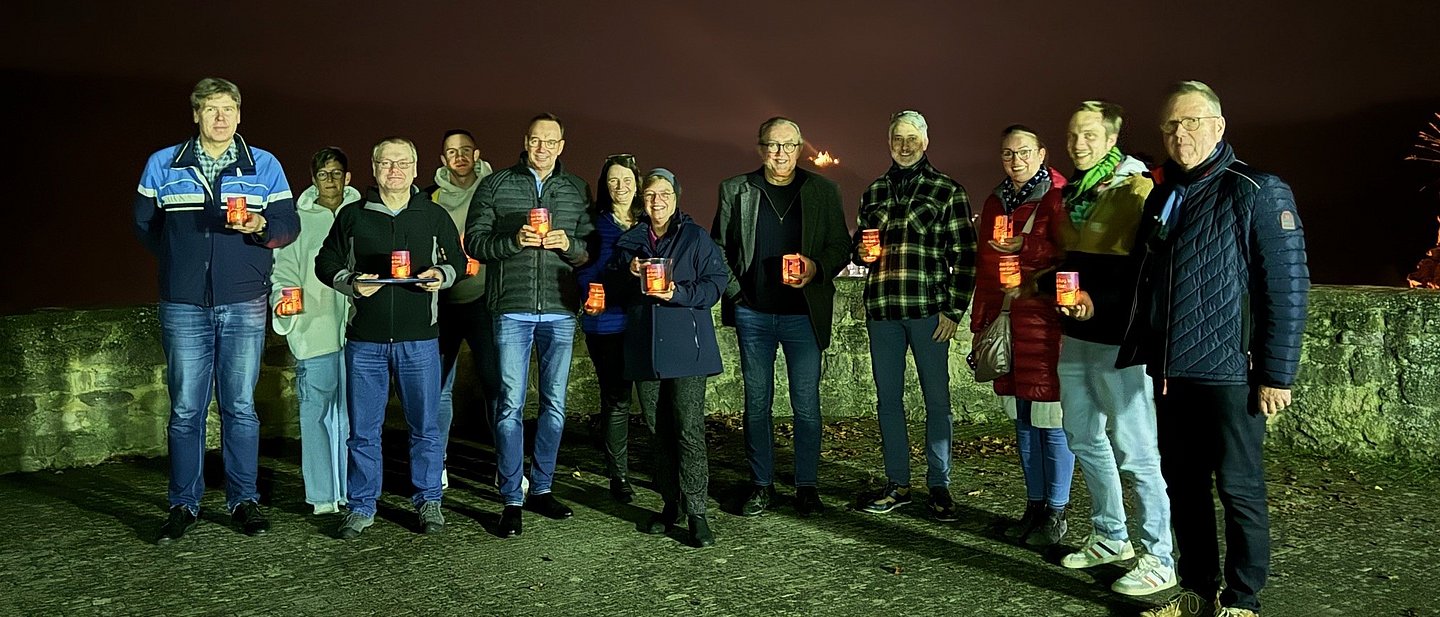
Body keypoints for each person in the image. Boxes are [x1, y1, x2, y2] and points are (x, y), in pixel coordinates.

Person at [1126, 81, 1310, 617]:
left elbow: (1287, 287)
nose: (1180, 133)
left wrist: (1276, 373)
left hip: (1232, 372)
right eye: (1170, 125)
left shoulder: (1256, 189)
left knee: (1239, 489)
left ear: (1219, 126)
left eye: (1191, 122)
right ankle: (1197, 592)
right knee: (1183, 488)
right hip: (1172, 371)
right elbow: (1146, 277)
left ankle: (1243, 601)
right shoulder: (1163, 194)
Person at [134, 77, 299, 544]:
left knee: (241, 406)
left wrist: (261, 224)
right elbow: (145, 226)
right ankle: (182, 504)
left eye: (228, 109)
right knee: (186, 409)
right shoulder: (163, 164)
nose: (221, 117)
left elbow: (288, 225)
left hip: (245, 299)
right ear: (196, 115)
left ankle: (244, 500)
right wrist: (179, 264)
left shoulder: (263, 164)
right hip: (183, 303)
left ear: (240, 114)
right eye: (211, 109)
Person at [1049, 101, 1177, 597]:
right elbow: (1074, 263)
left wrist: (1094, 299)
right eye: (1072, 134)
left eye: (1088, 135)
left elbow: (1147, 272)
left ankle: (1160, 556)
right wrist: (1044, 279)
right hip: (1077, 336)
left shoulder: (1136, 188)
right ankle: (1110, 536)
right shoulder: (1080, 194)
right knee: (1082, 437)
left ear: (1110, 139)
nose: (1078, 144)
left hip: (1121, 343)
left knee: (1137, 451)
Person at [315, 137, 465, 540]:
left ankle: (428, 499)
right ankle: (362, 505)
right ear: (374, 167)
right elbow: (324, 262)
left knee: (426, 426)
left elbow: (457, 261)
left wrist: (440, 277)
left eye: (402, 163)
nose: (394, 170)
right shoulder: (352, 216)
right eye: (386, 163)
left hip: (420, 340)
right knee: (363, 429)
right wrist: (350, 284)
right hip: (365, 340)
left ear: (416, 169)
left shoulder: (433, 216)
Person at [712, 117, 851, 517]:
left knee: (806, 404)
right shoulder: (736, 190)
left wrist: (816, 267)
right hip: (754, 313)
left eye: (789, 146)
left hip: (802, 314)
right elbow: (718, 246)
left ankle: (806, 486)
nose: (781, 154)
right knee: (757, 404)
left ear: (800, 148)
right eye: (773, 146)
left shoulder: (823, 190)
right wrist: (738, 295)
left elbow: (841, 245)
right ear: (760, 148)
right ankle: (761, 484)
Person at [466, 113, 593, 538]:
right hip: (512, 310)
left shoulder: (576, 189)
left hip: (559, 309)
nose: (543, 148)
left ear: (562, 145)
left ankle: (541, 488)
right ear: (526, 141)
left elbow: (589, 249)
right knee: (510, 405)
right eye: (536, 140)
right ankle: (511, 497)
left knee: (555, 406)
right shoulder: (497, 184)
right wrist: (513, 241)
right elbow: (476, 243)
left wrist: (569, 245)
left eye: (551, 141)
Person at [853, 110, 976, 520]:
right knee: (888, 401)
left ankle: (939, 485)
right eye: (897, 139)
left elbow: (967, 256)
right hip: (884, 310)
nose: (904, 146)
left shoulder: (947, 191)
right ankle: (898, 483)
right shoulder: (873, 192)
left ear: (925, 141)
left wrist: (954, 311)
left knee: (937, 401)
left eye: (911, 138)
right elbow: (862, 248)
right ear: (888, 142)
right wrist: (861, 253)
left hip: (928, 312)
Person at [611, 168, 728, 548]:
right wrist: (627, 273)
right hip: (645, 347)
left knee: (688, 429)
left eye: (664, 194)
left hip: (686, 349)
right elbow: (612, 287)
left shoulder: (695, 238)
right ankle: (670, 504)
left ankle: (697, 513)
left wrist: (678, 291)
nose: (656, 201)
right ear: (641, 201)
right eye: (649, 195)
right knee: (658, 432)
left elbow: (716, 284)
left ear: (676, 197)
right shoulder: (630, 242)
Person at [972, 125, 1073, 546]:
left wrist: (1023, 248)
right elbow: (984, 262)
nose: (1016, 160)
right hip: (1007, 318)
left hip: (1045, 322)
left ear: (1042, 153)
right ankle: (1033, 507)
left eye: (1024, 152)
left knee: (1051, 420)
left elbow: (1068, 254)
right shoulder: (996, 200)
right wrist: (981, 321)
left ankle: (1057, 511)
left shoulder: (1058, 195)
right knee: (1023, 422)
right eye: (1008, 154)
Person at [271, 147, 359, 515]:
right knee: (318, 412)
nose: (331, 180)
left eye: (337, 173)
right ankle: (324, 494)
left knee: (354, 416)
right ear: (313, 179)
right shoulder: (298, 221)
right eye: (324, 174)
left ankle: (354, 490)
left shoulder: (362, 215)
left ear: (348, 177)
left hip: (359, 331)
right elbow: (284, 270)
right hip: (316, 328)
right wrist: (285, 302)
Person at [576, 153, 658, 503]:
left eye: (627, 180)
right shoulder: (594, 224)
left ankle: (665, 468)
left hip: (648, 322)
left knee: (656, 401)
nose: (620, 187)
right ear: (604, 186)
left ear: (637, 183)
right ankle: (618, 475)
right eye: (613, 181)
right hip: (608, 323)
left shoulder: (652, 220)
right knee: (617, 400)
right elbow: (582, 270)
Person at [424, 129, 497, 489]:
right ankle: (436, 464)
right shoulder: (429, 198)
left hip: (486, 300)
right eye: (452, 152)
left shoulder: (494, 188)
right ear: (443, 159)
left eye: (466, 150)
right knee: (438, 387)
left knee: (498, 386)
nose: (459, 157)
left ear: (477, 153)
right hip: (444, 303)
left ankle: (508, 463)